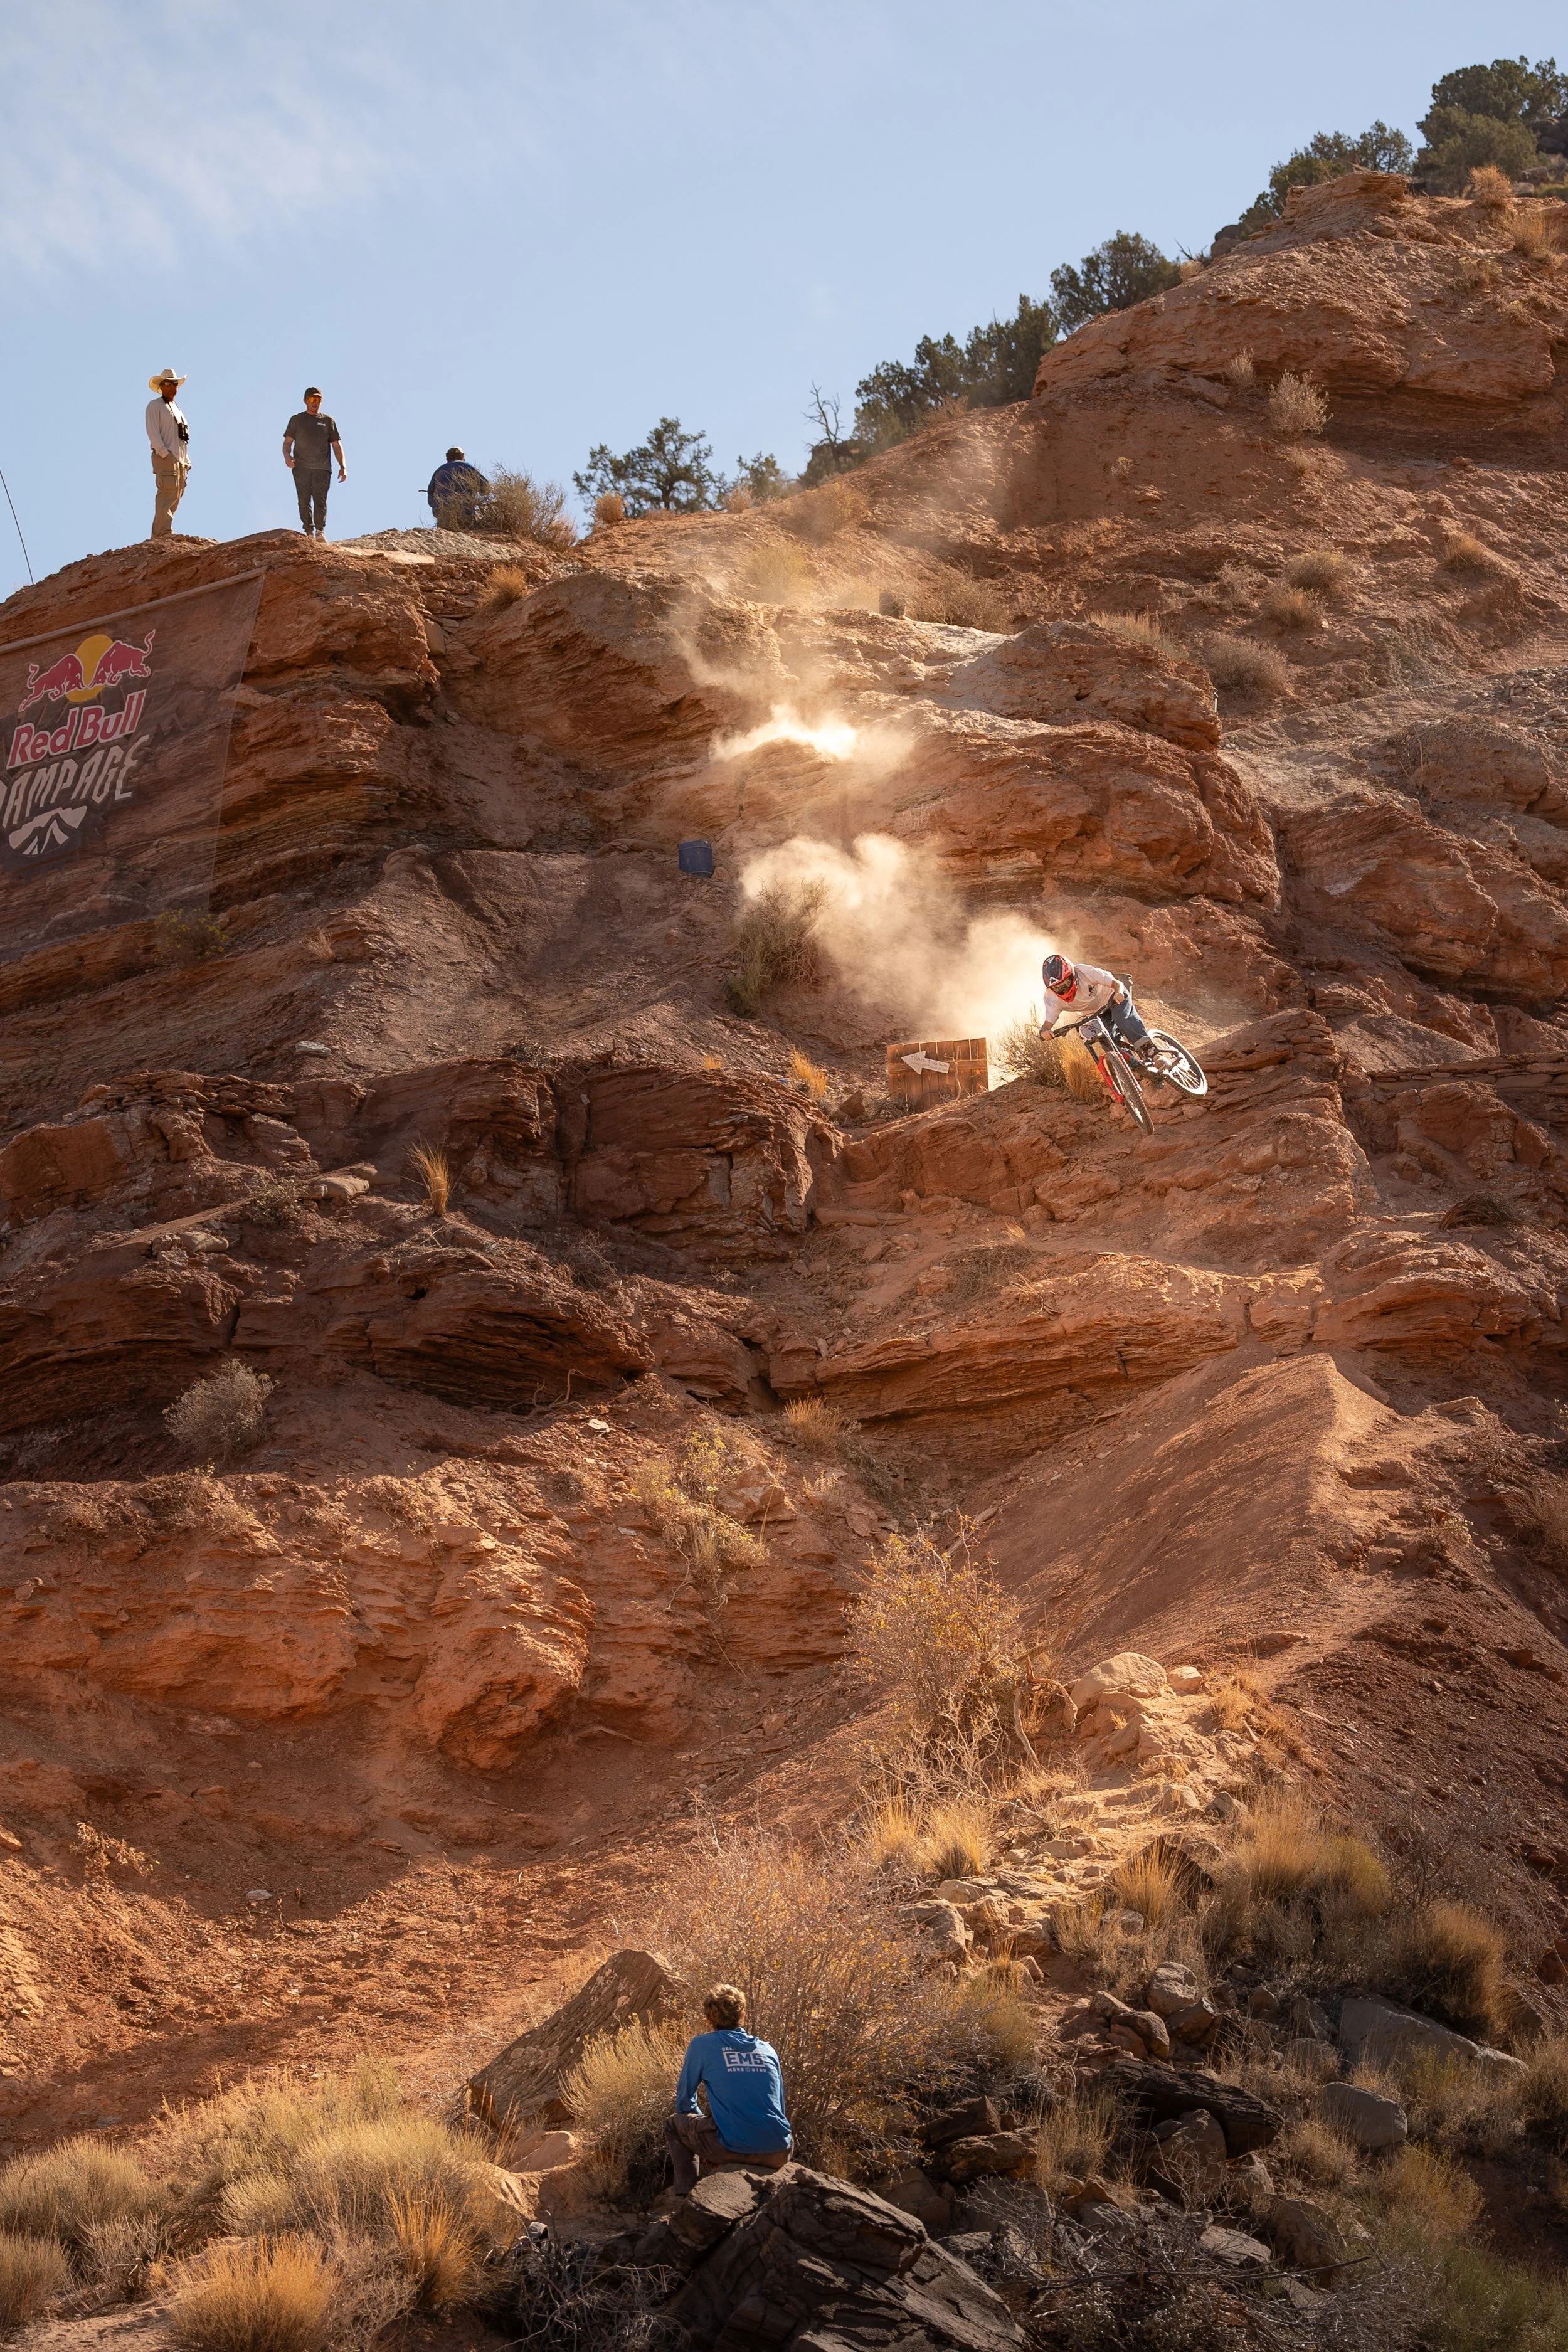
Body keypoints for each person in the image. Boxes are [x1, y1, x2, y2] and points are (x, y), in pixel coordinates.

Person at [664, 1983, 792, 2195]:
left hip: (733, 2149)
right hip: (780, 2150)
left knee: (673, 2125)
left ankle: (687, 2196)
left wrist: (710, 2135)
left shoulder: (702, 2045)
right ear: (743, 2014)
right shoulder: (767, 2048)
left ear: (709, 2018)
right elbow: (780, 2105)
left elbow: (684, 2102)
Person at [1041, 951, 1153, 1057]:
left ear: (1073, 975)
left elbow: (1116, 983)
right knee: (1106, 1039)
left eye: (1065, 983)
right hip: (1095, 1014)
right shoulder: (1052, 999)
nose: (1063, 989)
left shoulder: (1085, 972)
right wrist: (1044, 1033)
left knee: (1123, 1019)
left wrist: (1118, 993)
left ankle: (1152, 1052)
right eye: (1057, 987)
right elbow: (1047, 1026)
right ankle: (1132, 1068)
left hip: (1112, 998)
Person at [282, 388, 346, 538]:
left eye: (318, 400)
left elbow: (337, 445)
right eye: (312, 400)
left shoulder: (328, 421)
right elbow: (288, 442)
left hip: (322, 468)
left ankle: (320, 531)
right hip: (301, 467)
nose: (315, 403)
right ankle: (309, 531)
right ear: (305, 401)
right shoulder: (297, 420)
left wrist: (343, 466)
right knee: (303, 500)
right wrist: (287, 456)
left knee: (320, 500)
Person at [146, 367, 190, 539]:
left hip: (179, 457)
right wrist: (163, 452)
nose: (172, 387)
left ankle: (165, 530)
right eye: (168, 384)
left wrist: (186, 460)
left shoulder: (177, 409)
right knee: (167, 492)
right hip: (167, 455)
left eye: (175, 384)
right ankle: (161, 533)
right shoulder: (155, 405)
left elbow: (182, 436)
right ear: (161, 386)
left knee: (177, 493)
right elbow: (153, 431)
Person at [426, 447, 489, 528]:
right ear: (462, 456)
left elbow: (430, 492)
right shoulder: (466, 466)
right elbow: (485, 486)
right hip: (463, 511)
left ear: (447, 458)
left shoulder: (439, 470)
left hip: (442, 512)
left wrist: (436, 505)